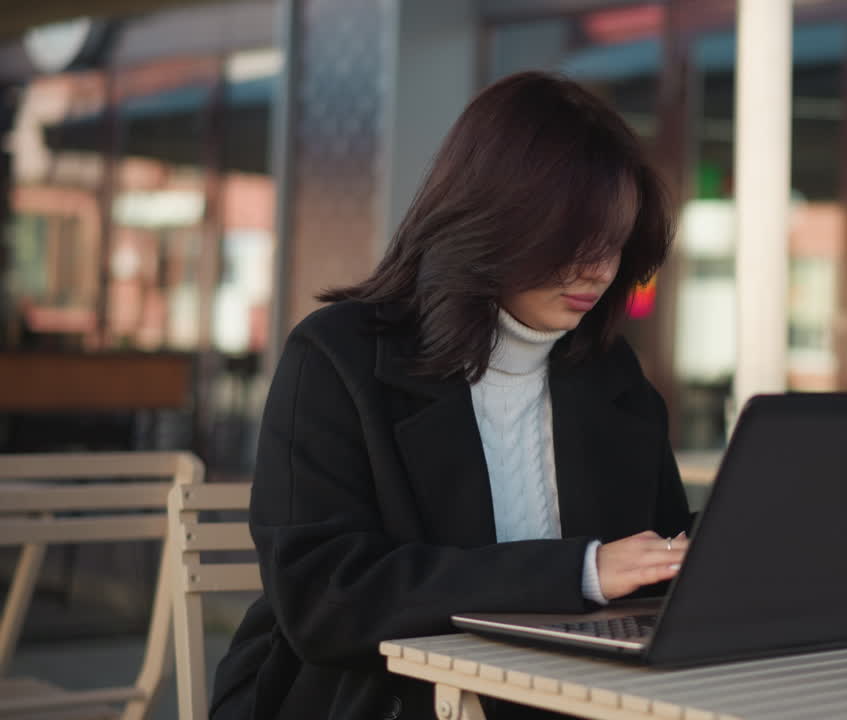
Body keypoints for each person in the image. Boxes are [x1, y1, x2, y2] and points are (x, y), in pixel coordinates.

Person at [210, 71, 692, 720]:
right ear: (494, 217)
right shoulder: (337, 358)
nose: (598, 270)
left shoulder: (607, 373)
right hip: (377, 702)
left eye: (613, 242)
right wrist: (579, 572)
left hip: (573, 701)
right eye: (574, 238)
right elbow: (325, 598)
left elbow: (651, 552)